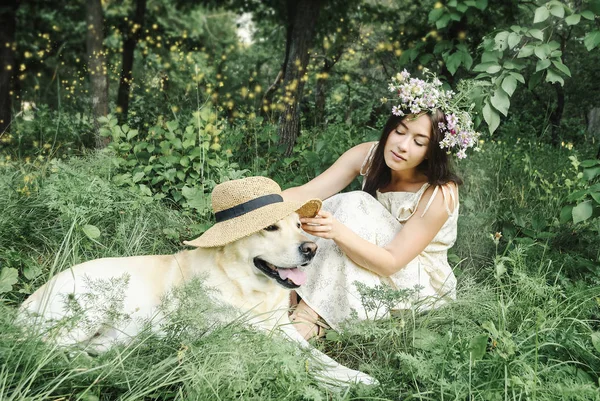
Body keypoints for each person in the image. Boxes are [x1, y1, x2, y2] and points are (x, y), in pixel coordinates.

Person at [281, 69, 479, 340]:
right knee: (326, 209)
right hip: (367, 257)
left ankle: (308, 316)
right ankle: (292, 297)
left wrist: (337, 231)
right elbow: (307, 193)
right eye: (399, 131)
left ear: (430, 153)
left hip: (416, 285)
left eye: (419, 142)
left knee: (354, 205)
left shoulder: (440, 192)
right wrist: (259, 206)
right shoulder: (370, 155)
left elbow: (391, 262)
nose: (402, 146)